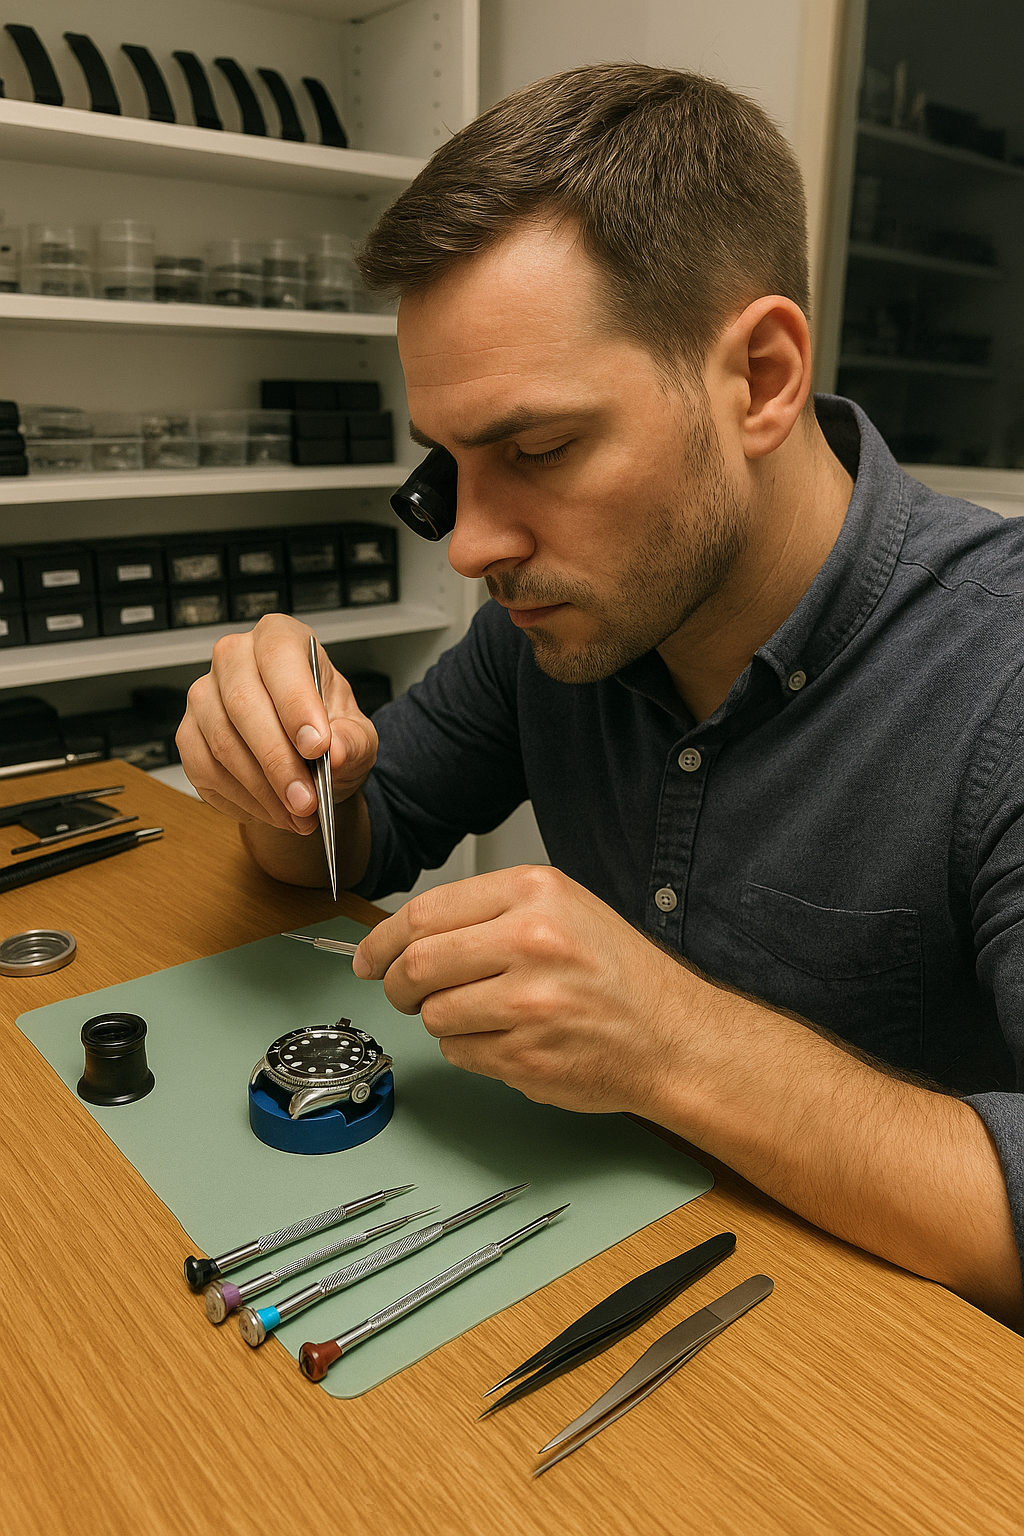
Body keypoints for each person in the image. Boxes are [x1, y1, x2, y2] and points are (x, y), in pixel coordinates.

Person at [177, 64, 1024, 1326]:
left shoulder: (999, 669)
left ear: (761, 377)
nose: (471, 545)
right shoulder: (555, 623)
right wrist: (281, 772)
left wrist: (673, 1044)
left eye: (537, 450)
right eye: (449, 468)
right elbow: (351, 845)